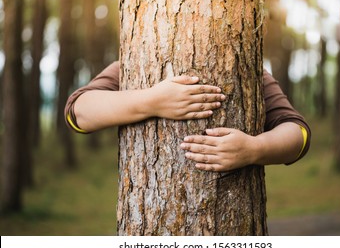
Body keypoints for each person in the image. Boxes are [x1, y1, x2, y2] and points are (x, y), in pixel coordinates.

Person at [65, 61, 311, 172]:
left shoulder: (248, 67)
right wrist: (153, 101)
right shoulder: (133, 62)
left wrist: (254, 149)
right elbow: (79, 112)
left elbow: (298, 135)